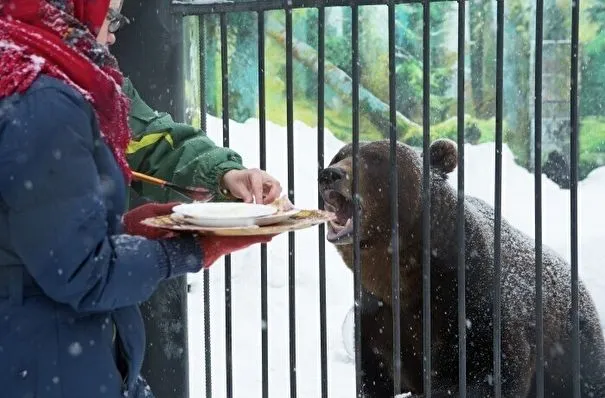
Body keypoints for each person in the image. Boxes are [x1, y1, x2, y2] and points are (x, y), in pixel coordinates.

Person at [0, 1, 274, 397]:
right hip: (46, 357)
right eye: (109, 16)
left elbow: (143, 139)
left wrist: (219, 172)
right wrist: (185, 248)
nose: (113, 34)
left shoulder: (47, 67)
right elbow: (77, 272)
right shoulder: (45, 96)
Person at [103, 0, 282, 207]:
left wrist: (224, 174)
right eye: (109, 18)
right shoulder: (68, 90)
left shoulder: (104, 85)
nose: (113, 35)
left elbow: (154, 145)